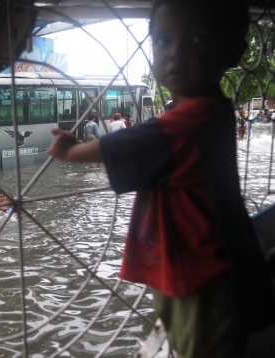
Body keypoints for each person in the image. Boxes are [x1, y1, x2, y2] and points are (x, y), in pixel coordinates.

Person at [47, 1, 275, 356]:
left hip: (200, 276)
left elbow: (132, 144)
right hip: (193, 269)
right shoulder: (208, 111)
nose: (176, 54)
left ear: (233, 52)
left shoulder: (196, 116)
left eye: (197, 40)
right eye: (163, 40)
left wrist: (71, 152)